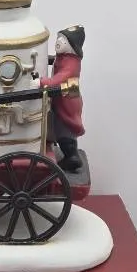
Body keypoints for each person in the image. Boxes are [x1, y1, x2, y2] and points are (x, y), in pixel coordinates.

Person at [38, 25, 85, 171]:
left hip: (67, 99)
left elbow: (60, 78)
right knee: (57, 121)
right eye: (58, 38)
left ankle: (72, 157)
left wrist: (41, 82)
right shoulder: (65, 57)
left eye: (63, 40)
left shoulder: (72, 63)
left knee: (64, 126)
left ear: (72, 45)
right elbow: (56, 63)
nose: (58, 42)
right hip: (61, 96)